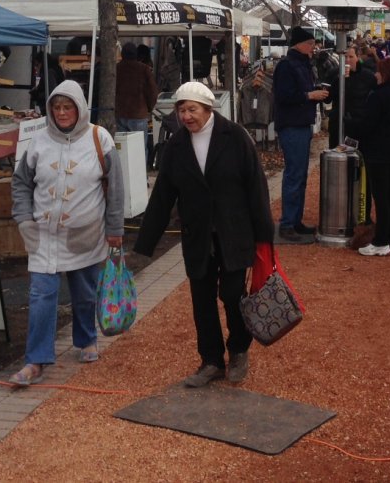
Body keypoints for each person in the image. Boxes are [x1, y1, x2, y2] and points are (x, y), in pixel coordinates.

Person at [134, 82, 274, 387]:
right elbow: (163, 195)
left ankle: (238, 350)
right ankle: (210, 360)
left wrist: (265, 235)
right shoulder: (177, 146)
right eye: (181, 110)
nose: (186, 116)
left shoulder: (235, 137)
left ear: (208, 109)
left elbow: (256, 188)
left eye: (192, 109)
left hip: (234, 232)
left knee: (233, 294)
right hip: (197, 234)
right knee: (202, 299)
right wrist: (144, 243)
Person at [9, 80, 124, 386]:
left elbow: (116, 188)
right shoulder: (39, 142)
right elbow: (21, 182)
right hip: (44, 235)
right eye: (56, 107)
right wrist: (23, 219)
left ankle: (86, 339)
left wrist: (115, 229)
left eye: (67, 106)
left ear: (80, 108)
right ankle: (36, 360)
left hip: (85, 233)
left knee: (85, 294)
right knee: (41, 295)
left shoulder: (100, 138)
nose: (61, 113)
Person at [271, 26, 330, 243]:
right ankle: (287, 223)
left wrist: (315, 92)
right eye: (311, 44)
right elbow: (284, 96)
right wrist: (310, 95)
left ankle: (295, 221)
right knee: (294, 174)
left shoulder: (303, 64)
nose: (313, 48)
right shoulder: (287, 66)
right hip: (292, 125)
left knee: (301, 174)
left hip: (301, 124)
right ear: (300, 44)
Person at [357, 57, 390, 256]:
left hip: (379, 153)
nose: (376, 74)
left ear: (384, 74)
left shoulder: (377, 96)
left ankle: (381, 241)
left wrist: (353, 127)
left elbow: (368, 124)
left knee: (382, 197)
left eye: (379, 72)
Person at [115, 41, 159, 166]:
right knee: (140, 147)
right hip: (139, 114)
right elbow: (152, 91)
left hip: (120, 113)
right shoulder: (144, 69)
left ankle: (124, 176)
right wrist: (149, 107)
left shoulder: (116, 68)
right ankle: (140, 178)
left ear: (122, 54)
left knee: (122, 147)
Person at [326, 44, 376, 149]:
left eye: (351, 57)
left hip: (357, 126)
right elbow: (327, 98)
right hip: (338, 125)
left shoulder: (368, 76)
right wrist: (338, 79)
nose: (347, 60)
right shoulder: (334, 74)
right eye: (345, 57)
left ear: (358, 57)